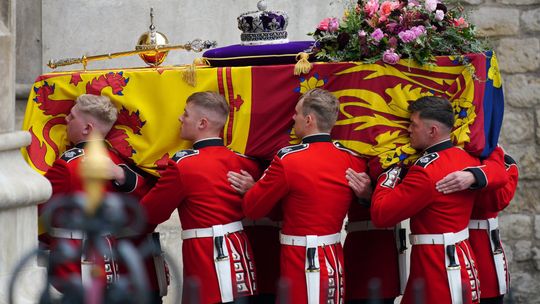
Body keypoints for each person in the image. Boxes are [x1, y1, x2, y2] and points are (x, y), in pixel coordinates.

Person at [228, 88, 368, 304]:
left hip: (300, 258)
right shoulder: (352, 159)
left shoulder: (288, 160)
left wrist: (253, 189)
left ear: (309, 119)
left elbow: (253, 209)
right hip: (333, 256)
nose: (293, 118)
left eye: (296, 113)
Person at [347, 96, 481, 304]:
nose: (408, 130)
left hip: (436, 267)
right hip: (460, 258)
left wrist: (388, 172)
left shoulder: (426, 170)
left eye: (413, 125)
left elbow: (382, 215)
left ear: (432, 131)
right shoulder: (466, 158)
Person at [136, 91, 260, 304]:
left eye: (185, 114)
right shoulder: (244, 162)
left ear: (202, 123)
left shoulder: (184, 165)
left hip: (205, 257)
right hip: (240, 256)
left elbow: (150, 212)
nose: (180, 118)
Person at [38, 94, 162, 302]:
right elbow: (147, 200)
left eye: (72, 116)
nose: (66, 120)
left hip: (76, 263)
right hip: (115, 264)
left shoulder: (66, 166)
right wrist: (123, 175)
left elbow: (42, 210)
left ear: (87, 128)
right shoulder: (120, 162)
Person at [436, 146, 518, 304]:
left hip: (472, 245)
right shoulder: (472, 157)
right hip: (472, 246)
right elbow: (499, 199)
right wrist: (508, 162)